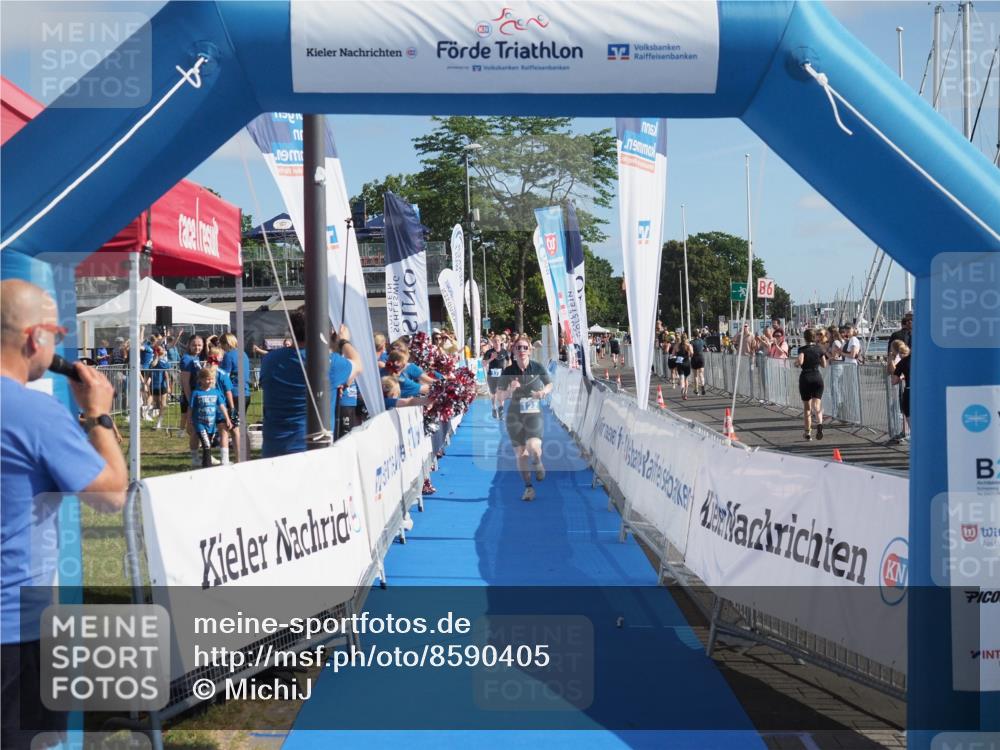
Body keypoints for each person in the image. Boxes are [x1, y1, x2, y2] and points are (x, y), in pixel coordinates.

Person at [1, 280, 127, 750]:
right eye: (56, 333)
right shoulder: (36, 414)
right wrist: (98, 416)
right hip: (15, 628)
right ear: (36, 338)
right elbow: (111, 494)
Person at [260, 309, 362, 457]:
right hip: (312, 453)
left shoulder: (269, 360)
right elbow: (358, 365)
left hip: (273, 450)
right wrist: (343, 341)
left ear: (291, 330)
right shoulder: (330, 363)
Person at [497, 334, 553, 502]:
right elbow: (499, 395)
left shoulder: (537, 367)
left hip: (533, 413)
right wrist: (510, 391)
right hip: (514, 416)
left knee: (533, 447)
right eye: (518, 347)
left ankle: (538, 462)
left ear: (530, 350)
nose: (521, 350)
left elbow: (550, 384)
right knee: (521, 455)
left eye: (525, 347)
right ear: (513, 351)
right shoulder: (508, 371)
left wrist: (543, 392)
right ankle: (528, 488)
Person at [190, 367, 231, 467]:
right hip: (200, 424)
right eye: (207, 379)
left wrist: (227, 418)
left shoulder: (215, 392)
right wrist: (189, 420)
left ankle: (204, 464)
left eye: (211, 379)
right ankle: (207, 467)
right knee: (206, 445)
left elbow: (221, 405)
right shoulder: (196, 393)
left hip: (211, 424)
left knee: (208, 445)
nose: (210, 381)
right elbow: (190, 408)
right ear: (201, 380)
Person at [796, 328, 828, 441]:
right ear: (814, 338)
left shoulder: (802, 349)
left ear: (805, 338)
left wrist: (796, 363)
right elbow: (824, 364)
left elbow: (800, 361)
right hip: (817, 377)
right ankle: (819, 424)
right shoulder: (819, 349)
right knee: (817, 406)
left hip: (806, 377)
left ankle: (808, 432)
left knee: (807, 408)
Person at [179, 335, 205, 464]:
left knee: (195, 429)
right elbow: (185, 382)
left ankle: (200, 453)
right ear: (189, 345)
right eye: (194, 345)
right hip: (190, 398)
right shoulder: (186, 359)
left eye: (200, 345)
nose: (197, 347)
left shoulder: (196, 358)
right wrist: (191, 401)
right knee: (193, 428)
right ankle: (196, 457)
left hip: (197, 396)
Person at [887, 340, 911, 443]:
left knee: (909, 415)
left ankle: (916, 439)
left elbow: (894, 381)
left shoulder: (902, 362)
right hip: (922, 391)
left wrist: (891, 360)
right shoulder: (918, 359)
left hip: (909, 391)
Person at [483, 334, 510, 419]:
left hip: (501, 376)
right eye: (495, 341)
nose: (497, 342)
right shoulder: (489, 352)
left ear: (501, 341)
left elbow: (509, 361)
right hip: (491, 376)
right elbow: (483, 364)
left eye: (498, 341)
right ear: (493, 343)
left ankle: (501, 410)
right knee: (493, 394)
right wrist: (491, 358)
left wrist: (507, 369)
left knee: (501, 393)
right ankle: (494, 407)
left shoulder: (504, 351)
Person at [149, 344, 172, 430]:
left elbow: (166, 374)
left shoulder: (165, 361)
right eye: (157, 349)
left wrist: (168, 385)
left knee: (163, 404)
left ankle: (159, 422)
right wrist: (157, 356)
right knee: (156, 404)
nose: (159, 351)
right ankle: (154, 415)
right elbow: (153, 365)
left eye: (160, 349)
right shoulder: (153, 359)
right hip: (154, 385)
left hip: (162, 385)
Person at [674, 333, 693, 400]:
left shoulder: (677, 345)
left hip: (680, 363)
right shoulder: (688, 345)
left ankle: (682, 389)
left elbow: (673, 354)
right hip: (687, 363)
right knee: (686, 379)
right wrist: (688, 354)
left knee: (681, 379)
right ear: (686, 338)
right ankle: (685, 393)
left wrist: (677, 355)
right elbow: (691, 354)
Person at [690, 329, 707, 396]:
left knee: (695, 375)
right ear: (698, 334)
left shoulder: (691, 342)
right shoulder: (702, 341)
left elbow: (690, 351)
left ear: (693, 335)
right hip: (701, 358)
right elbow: (706, 348)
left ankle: (696, 390)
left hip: (694, 358)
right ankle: (702, 386)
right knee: (701, 374)